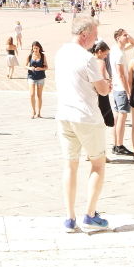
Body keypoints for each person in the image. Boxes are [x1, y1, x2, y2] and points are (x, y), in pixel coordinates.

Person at [54, 17, 112, 232]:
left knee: (70, 165)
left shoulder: (60, 52)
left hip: (64, 114)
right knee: (97, 164)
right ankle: (89, 214)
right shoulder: (87, 59)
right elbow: (103, 90)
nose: (96, 40)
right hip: (86, 117)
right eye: (95, 35)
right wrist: (106, 82)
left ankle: (69, 217)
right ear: (85, 35)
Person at [109, 27, 134, 157]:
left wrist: (128, 36)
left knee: (118, 116)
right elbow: (122, 75)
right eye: (124, 35)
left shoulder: (117, 50)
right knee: (122, 116)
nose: (127, 37)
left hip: (116, 88)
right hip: (120, 88)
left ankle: (116, 144)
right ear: (118, 38)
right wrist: (128, 91)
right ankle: (119, 145)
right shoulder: (119, 53)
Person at [90, 40, 115, 131]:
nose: (106, 56)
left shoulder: (90, 60)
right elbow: (102, 77)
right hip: (101, 89)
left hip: (92, 89)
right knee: (105, 109)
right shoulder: (100, 62)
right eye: (105, 54)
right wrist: (109, 83)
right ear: (99, 52)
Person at [26, 41, 48, 117]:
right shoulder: (29, 55)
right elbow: (25, 66)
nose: (35, 49)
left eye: (37, 48)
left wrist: (40, 68)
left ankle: (39, 112)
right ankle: (33, 111)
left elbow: (46, 67)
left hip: (40, 77)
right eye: (34, 48)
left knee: (39, 95)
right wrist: (30, 67)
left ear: (39, 48)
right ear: (32, 48)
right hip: (31, 77)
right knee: (32, 94)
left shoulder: (42, 56)